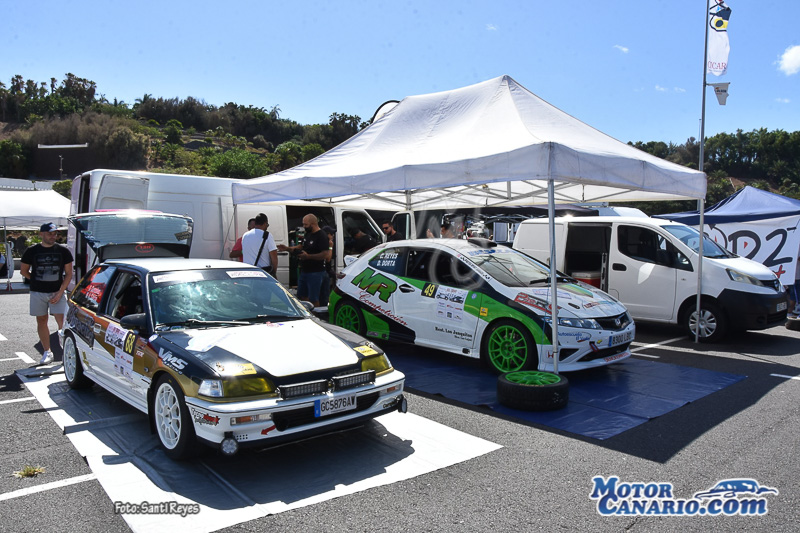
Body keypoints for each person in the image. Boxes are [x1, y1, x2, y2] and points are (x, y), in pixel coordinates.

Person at [20, 223, 73, 365]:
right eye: (50, 233)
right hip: (38, 292)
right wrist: (35, 280)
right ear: (41, 234)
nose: (53, 236)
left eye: (55, 233)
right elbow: (23, 271)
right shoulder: (32, 250)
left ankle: (66, 352)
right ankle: (47, 352)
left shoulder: (63, 251)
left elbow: (69, 273)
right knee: (42, 320)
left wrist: (60, 292)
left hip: (57, 292)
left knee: (62, 322)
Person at [278, 214, 329, 307]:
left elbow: (325, 254)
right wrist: (287, 248)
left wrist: (308, 256)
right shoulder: (308, 234)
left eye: (306, 224)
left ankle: (316, 314)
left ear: (313, 224)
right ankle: (306, 312)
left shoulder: (321, 236)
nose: (304, 226)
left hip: (316, 272)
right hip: (305, 271)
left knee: (314, 298)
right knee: (301, 296)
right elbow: (301, 246)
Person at [319, 226, 336, 306]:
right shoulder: (326, 243)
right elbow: (328, 259)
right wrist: (330, 247)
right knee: (324, 294)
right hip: (323, 271)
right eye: (331, 234)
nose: (333, 236)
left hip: (324, 271)